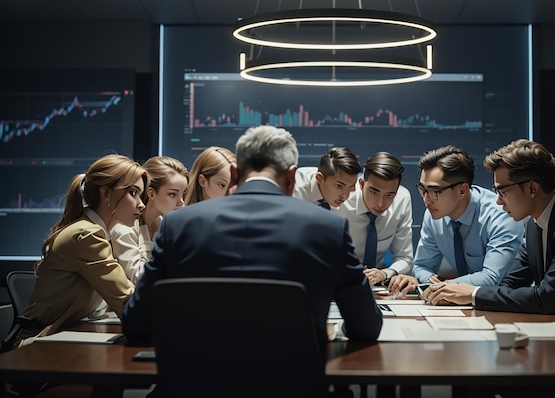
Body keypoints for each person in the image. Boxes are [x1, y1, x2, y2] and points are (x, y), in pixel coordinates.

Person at [123, 125, 382, 358]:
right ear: (292, 177)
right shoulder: (329, 229)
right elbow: (366, 327)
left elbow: (136, 324)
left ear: (235, 173)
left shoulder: (178, 226)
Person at [420, 139, 555, 327]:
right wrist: (464, 294)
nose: (498, 201)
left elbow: (545, 299)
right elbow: (509, 284)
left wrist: (473, 293)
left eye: (502, 191)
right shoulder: (534, 222)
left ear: (532, 189)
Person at [14, 154, 145, 347]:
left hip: (59, 338)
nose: (141, 204)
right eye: (133, 193)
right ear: (106, 193)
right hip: (35, 346)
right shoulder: (87, 235)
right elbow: (127, 301)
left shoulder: (94, 231)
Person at [387, 145, 524, 294]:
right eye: (423, 190)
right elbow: (421, 266)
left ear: (462, 191)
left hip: (504, 303)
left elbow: (491, 278)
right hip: (457, 300)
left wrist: (437, 286)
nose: (426, 200)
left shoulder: (501, 215)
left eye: (435, 192)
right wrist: (432, 281)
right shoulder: (434, 215)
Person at [337, 152, 413, 286]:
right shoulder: (341, 200)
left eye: (389, 195)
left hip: (376, 284)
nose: (380, 203)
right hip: (338, 281)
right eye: (374, 192)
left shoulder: (402, 199)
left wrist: (385, 273)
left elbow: (405, 258)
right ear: (361, 184)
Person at [110, 156, 189, 283]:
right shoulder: (124, 229)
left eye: (183, 193)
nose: (181, 202)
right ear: (151, 193)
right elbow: (141, 278)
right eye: (173, 194)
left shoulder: (164, 225)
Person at [293, 146, 361, 209]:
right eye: (339, 186)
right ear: (319, 178)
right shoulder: (294, 195)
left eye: (351, 187)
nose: (345, 196)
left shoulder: (356, 194)